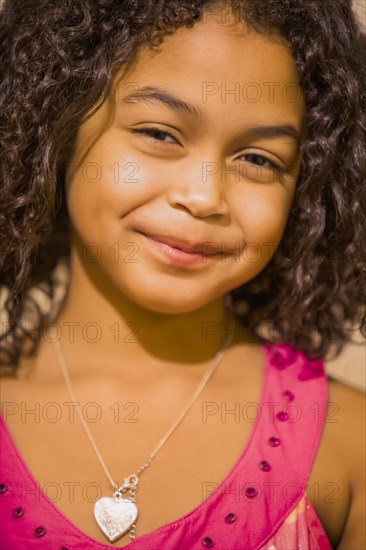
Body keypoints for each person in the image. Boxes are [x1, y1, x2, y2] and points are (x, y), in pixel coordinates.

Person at [0, 0, 365, 548]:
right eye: (161, 133)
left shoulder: (348, 445)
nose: (203, 197)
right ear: (54, 125)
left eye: (259, 159)